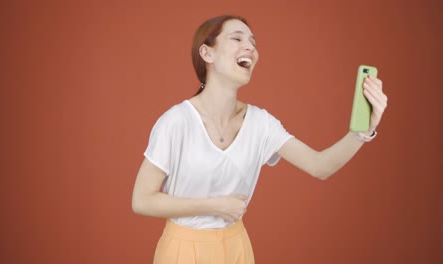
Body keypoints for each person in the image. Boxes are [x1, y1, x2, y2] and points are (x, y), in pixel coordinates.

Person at [132, 15, 387, 264]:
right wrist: (213, 205)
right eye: (237, 38)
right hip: (182, 252)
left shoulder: (261, 123)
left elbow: (320, 166)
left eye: (253, 43)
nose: (250, 48)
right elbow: (142, 200)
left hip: (237, 249)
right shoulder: (176, 121)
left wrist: (362, 132)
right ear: (207, 54)